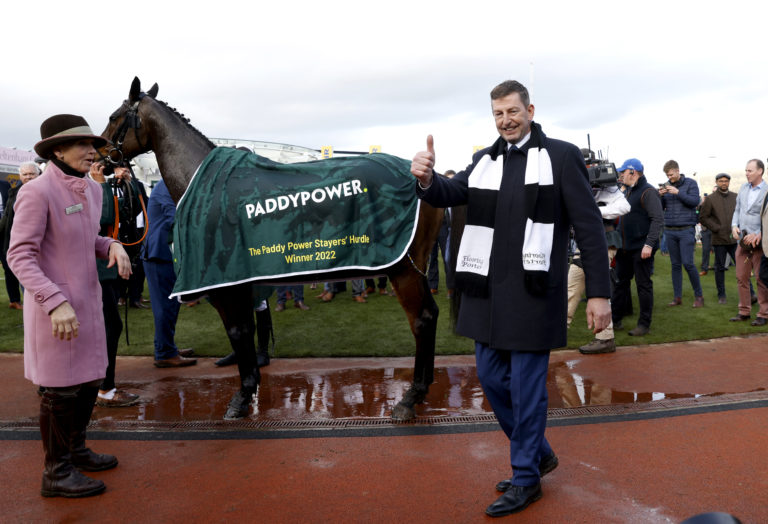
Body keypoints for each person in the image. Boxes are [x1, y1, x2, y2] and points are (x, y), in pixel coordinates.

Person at [410, 80, 611, 518]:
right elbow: (451, 193)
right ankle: (538, 453)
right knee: (492, 379)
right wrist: (426, 180)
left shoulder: (561, 155)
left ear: (530, 110)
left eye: (512, 112)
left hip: (534, 293)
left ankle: (526, 478)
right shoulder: (485, 160)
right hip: (487, 294)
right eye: (498, 114)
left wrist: (599, 292)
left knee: (525, 390)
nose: (506, 121)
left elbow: (590, 227)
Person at [7, 114, 132, 498]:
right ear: (57, 150)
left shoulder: (92, 190)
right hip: (56, 312)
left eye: (92, 144)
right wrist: (53, 302)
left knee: (88, 383)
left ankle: (75, 450)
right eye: (83, 145)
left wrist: (110, 244)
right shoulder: (37, 191)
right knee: (60, 391)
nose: (92, 151)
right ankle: (56, 472)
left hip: (88, 304)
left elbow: (86, 237)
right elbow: (20, 255)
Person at [89, 162, 147, 404]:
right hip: (94, 271)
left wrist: (127, 185)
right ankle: (104, 389)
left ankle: (100, 386)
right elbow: (103, 217)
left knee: (108, 326)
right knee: (108, 327)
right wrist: (101, 185)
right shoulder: (85, 185)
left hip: (104, 270)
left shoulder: (103, 186)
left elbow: (127, 212)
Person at [572, 168, 630, 355]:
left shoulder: (608, 187)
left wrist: (595, 211)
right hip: (583, 242)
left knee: (596, 287)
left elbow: (624, 207)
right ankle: (553, 331)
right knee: (572, 285)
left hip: (605, 241)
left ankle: (605, 339)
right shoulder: (574, 183)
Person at [141, 178, 198, 368]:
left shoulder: (168, 184)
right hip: (160, 253)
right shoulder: (166, 185)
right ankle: (164, 353)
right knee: (165, 306)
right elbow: (173, 217)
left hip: (165, 253)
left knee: (171, 305)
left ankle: (167, 347)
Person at [611, 158, 664, 336]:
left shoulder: (648, 191)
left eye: (623, 172)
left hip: (641, 248)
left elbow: (657, 219)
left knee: (643, 286)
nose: (621, 175)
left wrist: (648, 244)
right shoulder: (628, 192)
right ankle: (615, 320)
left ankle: (644, 325)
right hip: (625, 248)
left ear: (633, 172)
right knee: (620, 285)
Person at [658, 160, 704, 308]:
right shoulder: (666, 185)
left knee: (688, 263)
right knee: (675, 265)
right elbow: (661, 208)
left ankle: (699, 296)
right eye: (667, 175)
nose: (669, 177)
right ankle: (677, 297)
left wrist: (678, 192)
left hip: (686, 229)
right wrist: (659, 196)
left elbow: (694, 201)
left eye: (671, 174)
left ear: (677, 170)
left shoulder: (691, 183)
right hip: (670, 230)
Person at [730, 159, 768, 325]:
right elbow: (737, 209)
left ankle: (764, 314)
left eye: (750, 170)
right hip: (742, 243)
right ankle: (744, 311)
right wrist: (733, 226)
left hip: (760, 243)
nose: (746, 173)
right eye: (746, 170)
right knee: (741, 277)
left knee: (761, 279)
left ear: (760, 171)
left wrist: (760, 233)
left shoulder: (767, 190)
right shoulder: (743, 188)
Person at [1, 162, 40, 309]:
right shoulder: (14, 193)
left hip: (41, 245)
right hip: (18, 244)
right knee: (25, 279)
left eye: (32, 174)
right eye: (25, 174)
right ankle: (31, 313)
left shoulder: (48, 191)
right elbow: (6, 218)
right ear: (20, 176)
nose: (28, 177)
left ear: (38, 174)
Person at [698, 174, 737, 304]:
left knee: (742, 268)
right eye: (721, 181)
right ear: (716, 182)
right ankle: (721, 295)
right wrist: (716, 228)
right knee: (719, 268)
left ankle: (751, 293)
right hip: (719, 239)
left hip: (734, 239)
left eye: (726, 181)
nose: (724, 183)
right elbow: (703, 217)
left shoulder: (735, 197)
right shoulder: (710, 199)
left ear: (729, 182)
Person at [427, 169, 456, 296]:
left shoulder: (454, 195)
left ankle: (451, 287)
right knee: (432, 257)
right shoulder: (434, 192)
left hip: (445, 227)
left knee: (447, 257)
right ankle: (432, 286)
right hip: (432, 227)